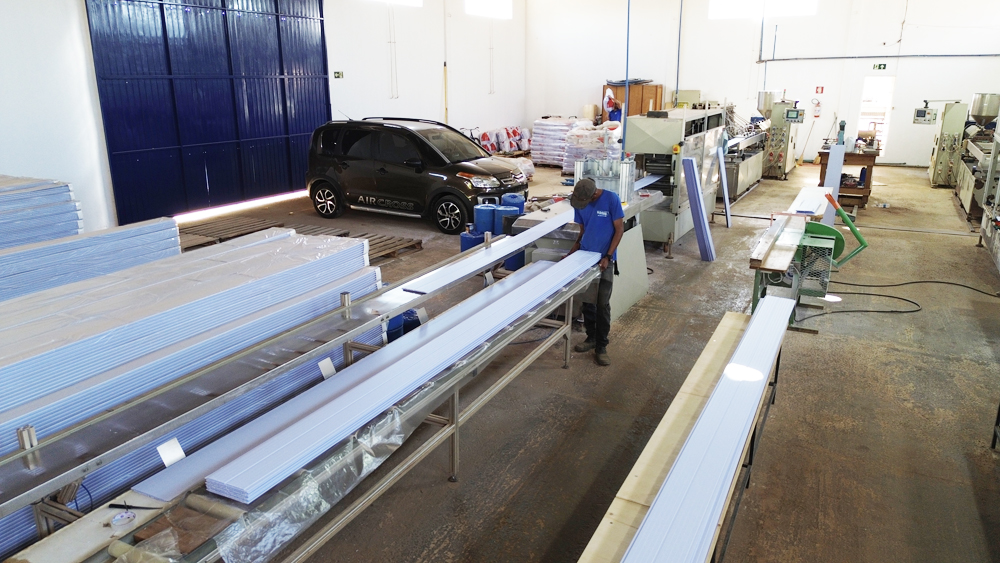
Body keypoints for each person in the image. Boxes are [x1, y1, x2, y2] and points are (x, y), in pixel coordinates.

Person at [569, 178, 624, 366]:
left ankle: (601, 346)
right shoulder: (580, 203)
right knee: (587, 302)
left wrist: (608, 256)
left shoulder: (611, 199)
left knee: (602, 304)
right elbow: (582, 231)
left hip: (604, 259)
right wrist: (571, 253)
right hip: (585, 258)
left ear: (593, 195)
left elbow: (619, 230)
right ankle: (591, 337)